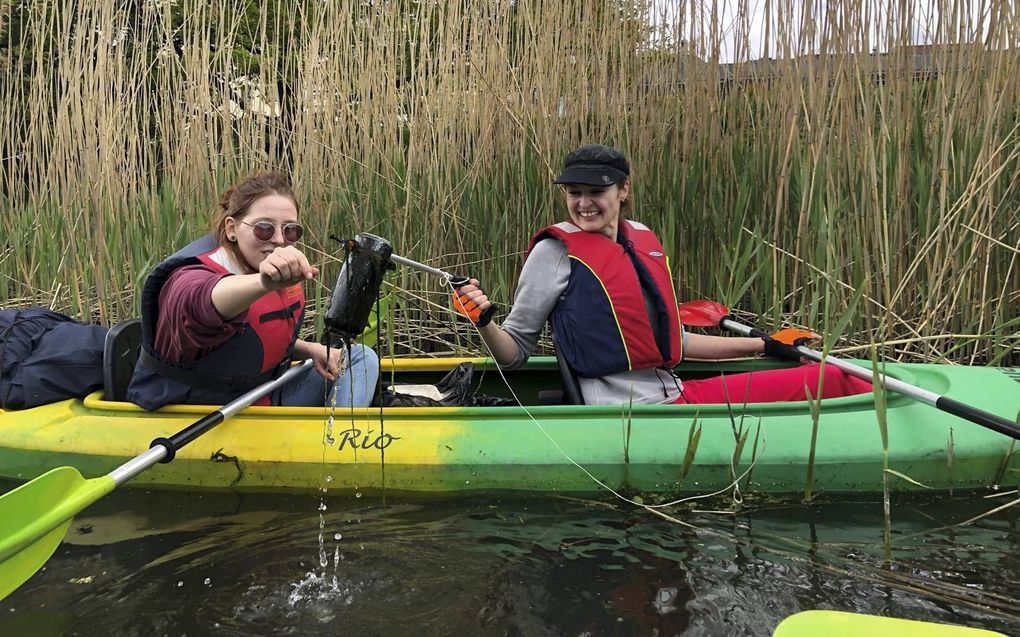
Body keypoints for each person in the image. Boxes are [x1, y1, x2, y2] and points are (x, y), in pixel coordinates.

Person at [451, 144, 871, 406]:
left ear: (623, 190)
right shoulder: (554, 252)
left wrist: (765, 344)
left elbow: (674, 343)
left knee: (837, 374)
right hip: (632, 413)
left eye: (595, 192)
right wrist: (482, 321)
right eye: (573, 193)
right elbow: (514, 354)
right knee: (835, 381)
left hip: (674, 394)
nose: (583, 204)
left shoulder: (643, 240)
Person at [127, 171, 379, 410]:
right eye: (264, 228)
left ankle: (343, 441)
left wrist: (308, 349)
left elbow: (251, 339)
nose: (280, 239)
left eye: (291, 230)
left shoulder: (259, 262)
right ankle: (336, 449)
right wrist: (264, 283)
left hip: (263, 394)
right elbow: (201, 300)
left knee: (358, 357)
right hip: (205, 410)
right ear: (231, 229)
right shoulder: (187, 277)